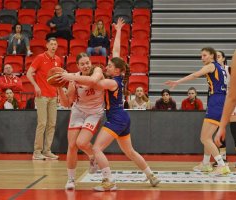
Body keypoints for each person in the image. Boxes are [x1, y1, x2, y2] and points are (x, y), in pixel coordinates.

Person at [61, 18, 160, 191]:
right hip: (123, 118)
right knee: (129, 152)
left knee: (97, 148)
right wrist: (119, 31)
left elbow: (92, 83)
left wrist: (71, 76)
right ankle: (151, 175)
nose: (107, 66)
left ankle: (108, 182)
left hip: (116, 118)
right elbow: (116, 50)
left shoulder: (112, 82)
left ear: (117, 71)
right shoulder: (117, 76)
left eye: (110, 66)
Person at [165, 47, 230, 175]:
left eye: (204, 55)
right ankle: (206, 164)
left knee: (204, 138)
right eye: (201, 56)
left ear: (212, 56)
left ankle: (222, 165)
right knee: (207, 137)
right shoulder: (220, 67)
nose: (202, 58)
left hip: (216, 101)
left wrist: (177, 82)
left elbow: (195, 75)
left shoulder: (211, 66)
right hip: (219, 100)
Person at [58, 53, 105, 190]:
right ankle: (71, 179)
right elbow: (66, 103)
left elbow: (92, 81)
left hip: (95, 112)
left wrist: (71, 77)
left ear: (91, 63)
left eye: (87, 63)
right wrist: (59, 87)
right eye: (82, 64)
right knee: (72, 145)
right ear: (78, 66)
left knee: (82, 142)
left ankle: (91, 155)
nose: (86, 66)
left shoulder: (97, 71)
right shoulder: (73, 80)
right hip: (78, 111)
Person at [26, 37, 63, 160]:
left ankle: (47, 151)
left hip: (53, 96)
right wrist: (36, 86)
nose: (53, 46)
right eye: (51, 44)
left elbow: (58, 79)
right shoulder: (40, 58)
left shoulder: (58, 60)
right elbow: (28, 73)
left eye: (55, 44)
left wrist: (58, 93)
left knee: (52, 124)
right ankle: (37, 152)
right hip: (42, 96)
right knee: (42, 123)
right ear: (47, 45)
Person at [215, 50, 236, 168]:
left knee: (235, 130)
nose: (216, 58)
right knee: (220, 129)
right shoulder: (213, 71)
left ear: (223, 58)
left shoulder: (229, 69)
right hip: (220, 101)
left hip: (232, 99)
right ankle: (222, 157)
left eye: (218, 56)